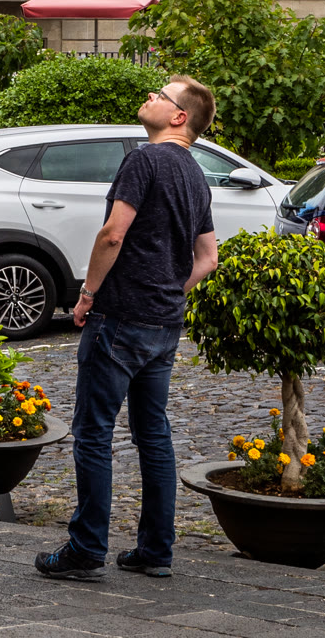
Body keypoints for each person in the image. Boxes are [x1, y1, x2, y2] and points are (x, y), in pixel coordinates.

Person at [38, 76, 219, 583]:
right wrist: (170, 290)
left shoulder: (145, 160)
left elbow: (112, 235)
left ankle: (86, 548)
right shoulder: (196, 174)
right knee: (153, 434)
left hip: (119, 316)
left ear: (179, 116)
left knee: (94, 433)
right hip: (164, 322)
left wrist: (88, 293)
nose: (150, 96)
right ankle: (156, 550)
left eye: (161, 94)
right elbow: (209, 258)